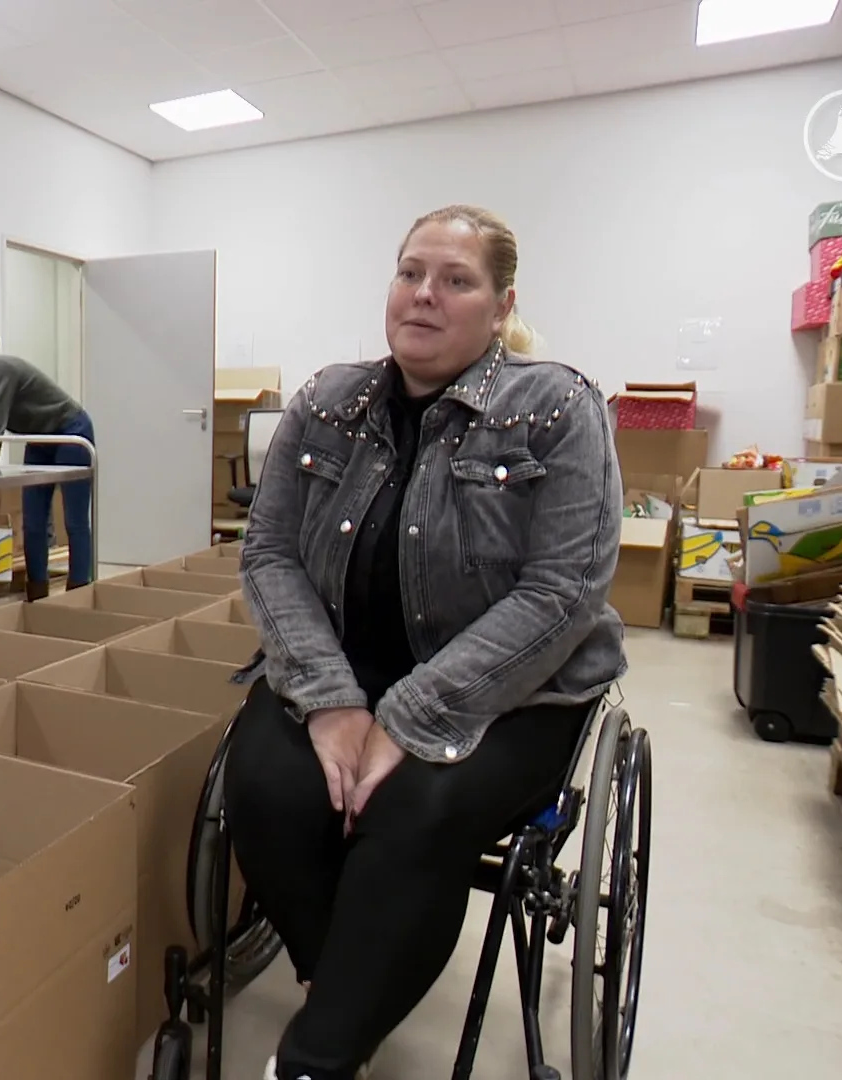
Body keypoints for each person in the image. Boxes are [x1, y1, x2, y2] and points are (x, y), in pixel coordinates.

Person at [224, 205, 627, 1080]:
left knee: (411, 815)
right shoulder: (328, 400)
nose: (426, 295)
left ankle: (318, 1055)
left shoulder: (556, 407)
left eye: (457, 280)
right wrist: (331, 700)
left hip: (516, 685)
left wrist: (411, 717)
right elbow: (268, 552)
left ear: (499, 302)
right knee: (264, 792)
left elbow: (562, 594)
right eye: (412, 273)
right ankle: (345, 986)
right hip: (343, 665)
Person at [0, 325, 95, 599]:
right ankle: (37, 596)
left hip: (70, 429)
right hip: (39, 436)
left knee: (74, 520)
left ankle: (80, 596)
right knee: (32, 521)